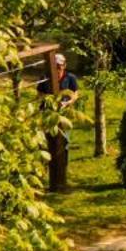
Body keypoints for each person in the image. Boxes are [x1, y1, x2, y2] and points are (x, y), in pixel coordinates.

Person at [36, 52, 77, 192]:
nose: (57, 68)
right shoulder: (44, 78)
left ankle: (62, 177)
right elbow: (40, 94)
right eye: (55, 65)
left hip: (64, 115)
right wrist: (48, 102)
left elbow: (75, 93)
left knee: (64, 143)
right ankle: (46, 176)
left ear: (64, 65)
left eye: (59, 65)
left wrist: (68, 103)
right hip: (48, 115)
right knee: (46, 144)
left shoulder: (70, 77)